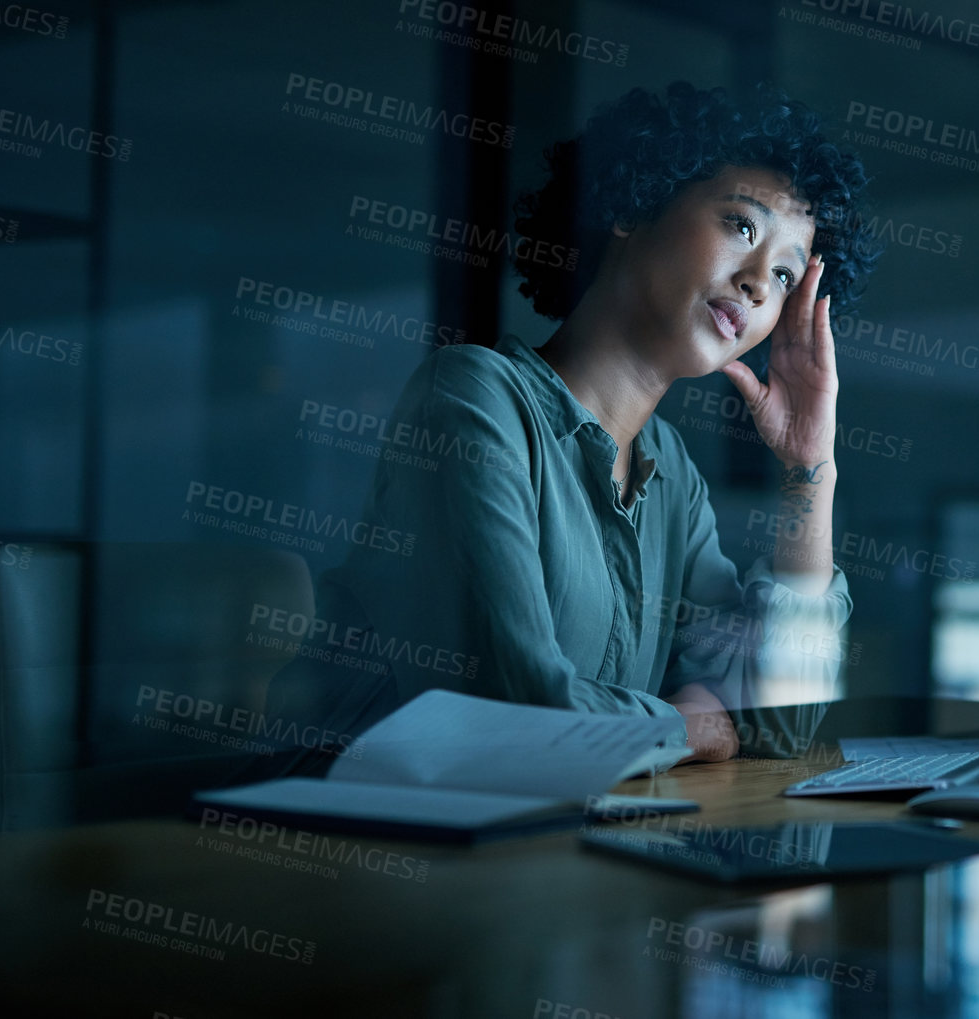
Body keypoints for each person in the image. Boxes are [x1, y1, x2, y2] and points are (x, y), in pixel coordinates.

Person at [264, 81, 881, 774]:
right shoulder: (473, 398)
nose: (758, 283)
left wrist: (808, 469)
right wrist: (690, 724)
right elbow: (509, 717)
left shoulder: (670, 473)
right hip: (363, 851)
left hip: (544, 855)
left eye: (786, 274)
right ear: (631, 204)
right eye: (741, 226)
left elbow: (779, 719)